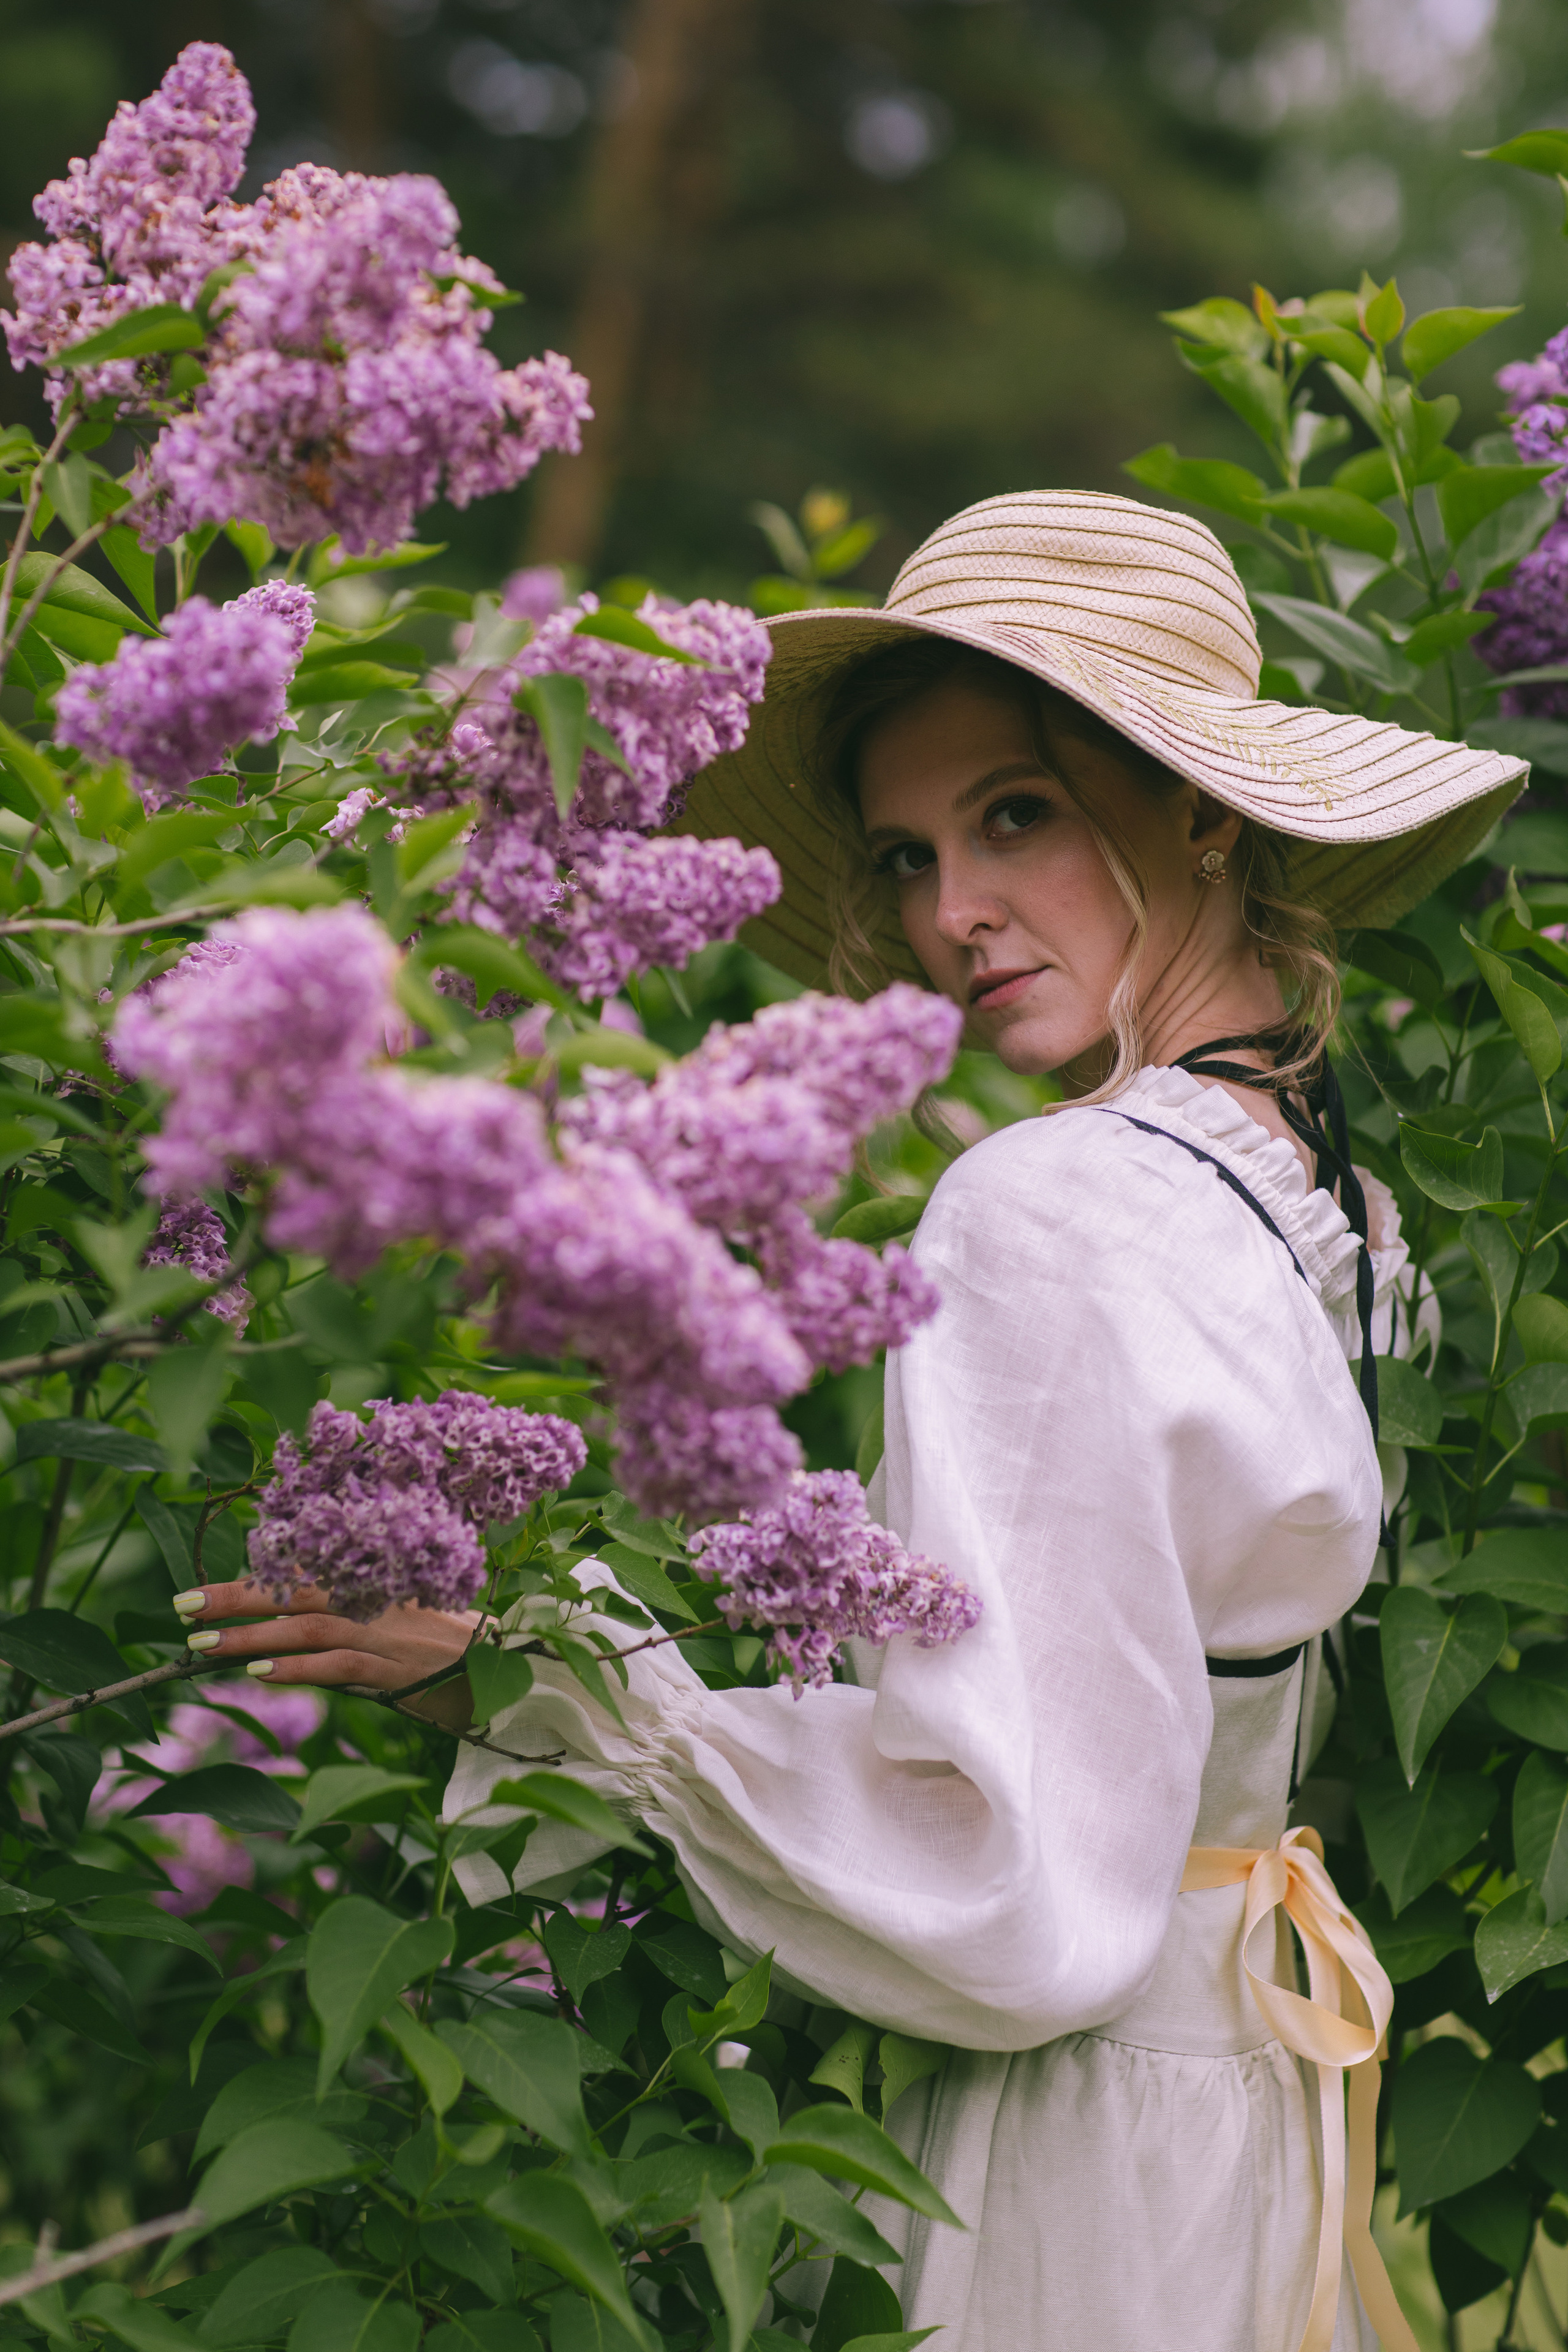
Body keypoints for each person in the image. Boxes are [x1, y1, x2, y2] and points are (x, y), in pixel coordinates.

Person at [176, 493, 1526, 2351]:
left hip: (1088, 2148)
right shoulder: (1325, 1200)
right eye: (907, 853)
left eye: (1018, 816)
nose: (950, 916)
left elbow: (1010, 1883)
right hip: (1243, 2100)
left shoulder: (1054, 1205)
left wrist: (549, 1687)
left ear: (1202, 806)